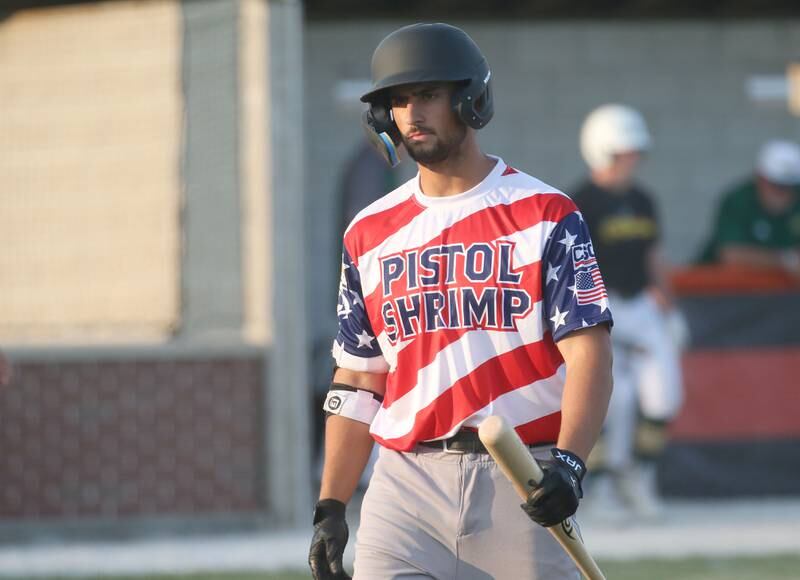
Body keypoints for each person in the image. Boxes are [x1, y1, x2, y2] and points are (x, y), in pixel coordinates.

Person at [308, 23, 613, 580]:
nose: (411, 113)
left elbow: (589, 355)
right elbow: (356, 381)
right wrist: (331, 505)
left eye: (427, 94)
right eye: (397, 101)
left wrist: (569, 464)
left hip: (521, 479)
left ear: (471, 98)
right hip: (403, 486)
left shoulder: (546, 213)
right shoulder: (367, 233)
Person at [570, 104, 685, 520]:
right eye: (624, 152)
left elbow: (655, 254)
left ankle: (642, 478)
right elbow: (572, 266)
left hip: (641, 304)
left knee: (664, 392)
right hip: (601, 308)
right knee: (610, 400)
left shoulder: (642, 199)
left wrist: (670, 306)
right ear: (602, 151)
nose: (632, 160)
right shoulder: (579, 201)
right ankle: (599, 487)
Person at [698, 139, 800, 276]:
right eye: (776, 185)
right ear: (760, 178)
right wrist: (785, 261)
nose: (783, 193)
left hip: (778, 292)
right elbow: (732, 255)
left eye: (789, 186)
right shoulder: (739, 200)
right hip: (719, 288)